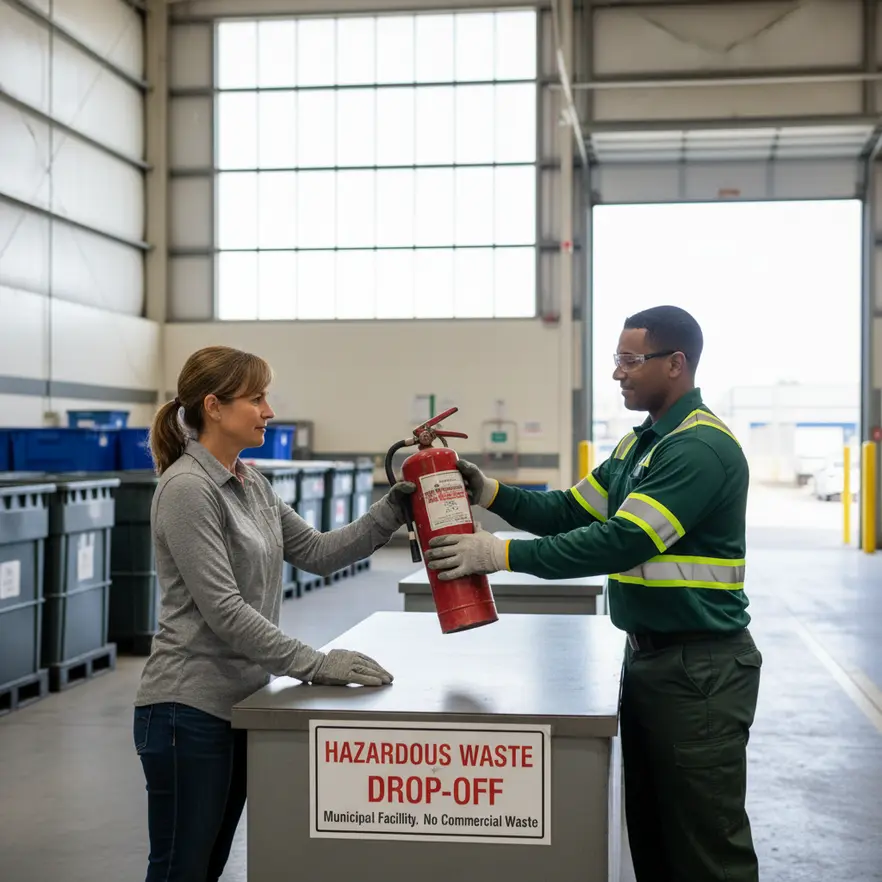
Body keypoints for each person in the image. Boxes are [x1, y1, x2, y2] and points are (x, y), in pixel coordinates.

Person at [425, 305, 762, 882]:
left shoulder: (697, 449)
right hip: (653, 661)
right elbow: (567, 512)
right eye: (617, 360)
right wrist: (490, 491)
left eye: (631, 361)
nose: (618, 374)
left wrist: (499, 554)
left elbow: (620, 542)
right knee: (654, 833)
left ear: (676, 364)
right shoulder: (642, 447)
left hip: (700, 670)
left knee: (705, 845)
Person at [133, 345, 415, 882]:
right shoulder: (187, 490)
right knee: (179, 869)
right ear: (214, 406)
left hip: (238, 703)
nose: (269, 411)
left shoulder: (250, 482)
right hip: (184, 710)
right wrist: (317, 663)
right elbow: (225, 611)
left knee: (206, 865)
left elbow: (318, 552)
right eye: (257, 398)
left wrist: (392, 510)